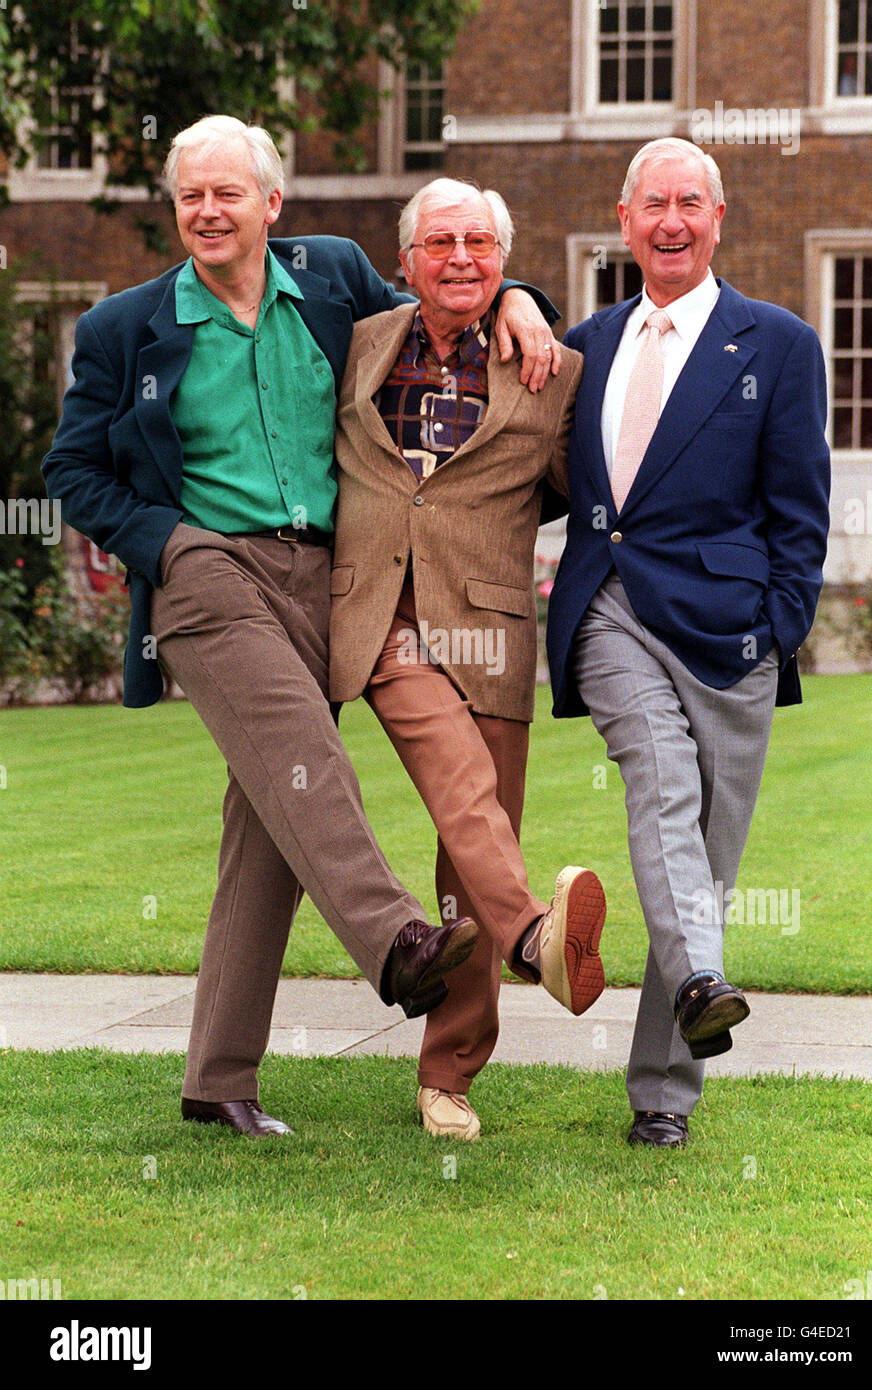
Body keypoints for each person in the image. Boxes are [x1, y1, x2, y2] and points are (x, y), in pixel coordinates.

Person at [41, 116, 562, 1138]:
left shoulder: (328, 281)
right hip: (206, 569)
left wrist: (518, 299)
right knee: (307, 755)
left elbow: (439, 299)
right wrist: (167, 543)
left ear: (270, 204)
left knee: (269, 823)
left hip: (329, 575)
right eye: (190, 194)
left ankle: (215, 1076)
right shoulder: (123, 330)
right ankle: (399, 941)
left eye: (226, 192)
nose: (206, 210)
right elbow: (73, 470)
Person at [546, 138, 830, 1147]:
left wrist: (778, 625)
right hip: (610, 609)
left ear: (717, 220)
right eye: (652, 203)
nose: (669, 221)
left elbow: (799, 506)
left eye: (688, 204)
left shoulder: (779, 343)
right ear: (623, 220)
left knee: (701, 860)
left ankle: (661, 1096)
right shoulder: (581, 342)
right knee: (660, 782)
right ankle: (705, 978)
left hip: (730, 631)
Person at [329, 178, 606, 1141]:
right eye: (440, 242)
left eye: (481, 245)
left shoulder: (552, 370)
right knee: (459, 780)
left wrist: (528, 306)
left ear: (503, 258)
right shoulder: (356, 342)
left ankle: (448, 1072)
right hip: (381, 620)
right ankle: (535, 933)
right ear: (403, 261)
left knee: (470, 848)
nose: (461, 259)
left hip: (491, 625)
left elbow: (591, 491)